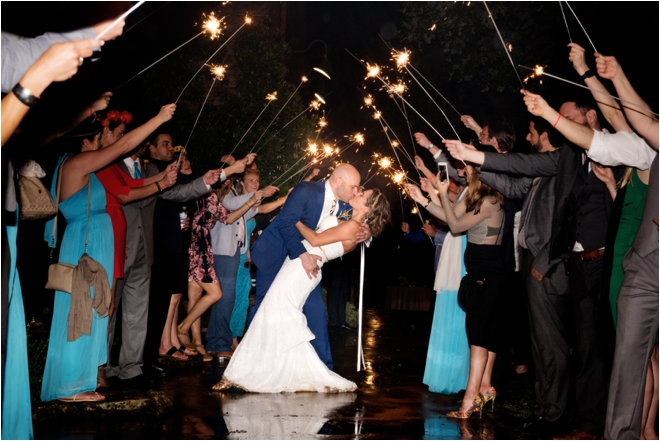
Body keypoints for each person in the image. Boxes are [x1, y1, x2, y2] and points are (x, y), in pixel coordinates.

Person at [520, 54, 658, 439]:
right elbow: (621, 116)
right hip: (626, 259)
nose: (627, 122)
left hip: (635, 263)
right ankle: (637, 430)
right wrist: (595, 74)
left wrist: (551, 112)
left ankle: (641, 429)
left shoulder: (646, 149)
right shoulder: (636, 151)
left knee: (638, 355)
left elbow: (623, 116)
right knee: (638, 355)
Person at [40, 103, 176, 403]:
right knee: (82, 310)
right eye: (106, 136)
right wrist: (158, 118)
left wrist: (162, 180)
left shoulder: (85, 165)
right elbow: (125, 149)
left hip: (95, 243)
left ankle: (81, 381)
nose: (111, 141)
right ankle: (70, 387)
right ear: (92, 138)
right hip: (86, 245)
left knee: (94, 309)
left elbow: (128, 184)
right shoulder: (77, 163)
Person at [212, 188, 390, 392]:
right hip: (300, 264)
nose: (356, 193)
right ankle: (273, 369)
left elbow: (314, 239)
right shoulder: (353, 222)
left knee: (270, 311)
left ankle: (238, 373)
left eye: (361, 195)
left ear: (367, 207)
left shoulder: (353, 226)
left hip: (304, 268)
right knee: (276, 314)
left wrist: (292, 217)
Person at [406, 162, 505, 419]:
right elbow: (448, 214)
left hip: (487, 274)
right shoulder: (475, 196)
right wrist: (422, 198)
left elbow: (456, 226)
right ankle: (485, 389)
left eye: (469, 169)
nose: (464, 172)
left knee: (478, 338)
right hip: (479, 273)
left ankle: (469, 401)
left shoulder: (489, 201)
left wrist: (439, 192)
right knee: (482, 337)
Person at [249, 164, 366, 370]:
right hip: (276, 253)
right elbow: (286, 222)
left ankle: (323, 369)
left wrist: (368, 235)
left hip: (304, 266)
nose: (355, 192)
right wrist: (302, 255)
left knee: (315, 311)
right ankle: (252, 363)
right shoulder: (307, 190)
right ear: (339, 181)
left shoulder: (346, 204)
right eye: (353, 187)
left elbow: (365, 216)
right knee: (264, 308)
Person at [203, 158, 278, 360]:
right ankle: (220, 345)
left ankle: (217, 342)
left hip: (233, 252)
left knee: (226, 299)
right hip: (224, 253)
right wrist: (256, 196)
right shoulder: (224, 195)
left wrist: (271, 199)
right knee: (225, 299)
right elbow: (234, 206)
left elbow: (251, 212)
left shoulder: (236, 195)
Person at [418, 173, 469, 395]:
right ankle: (443, 373)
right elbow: (446, 212)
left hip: (461, 248)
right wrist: (429, 191)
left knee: (457, 313)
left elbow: (453, 221)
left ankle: (456, 376)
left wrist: (427, 194)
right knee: (446, 311)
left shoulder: (472, 191)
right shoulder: (466, 191)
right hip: (452, 246)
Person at [230, 169, 289, 350]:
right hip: (233, 254)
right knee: (234, 296)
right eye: (251, 180)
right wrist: (283, 199)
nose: (255, 184)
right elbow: (261, 209)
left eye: (257, 181)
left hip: (244, 255)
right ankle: (230, 340)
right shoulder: (240, 203)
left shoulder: (253, 203)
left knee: (243, 296)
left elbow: (261, 215)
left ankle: (235, 338)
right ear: (241, 183)